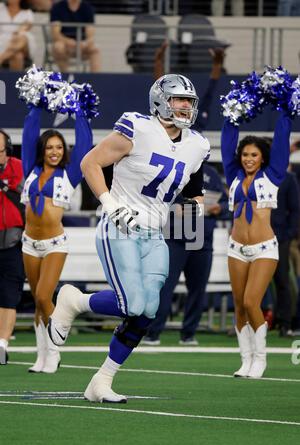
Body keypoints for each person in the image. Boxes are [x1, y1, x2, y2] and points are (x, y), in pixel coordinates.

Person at [48, 74, 210, 403]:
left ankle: (102, 381)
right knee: (131, 304)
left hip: (155, 233)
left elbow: (194, 194)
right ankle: (73, 302)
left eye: (189, 102)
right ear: (161, 100)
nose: (185, 107)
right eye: (179, 100)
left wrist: (193, 210)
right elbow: (90, 163)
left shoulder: (197, 145)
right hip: (119, 225)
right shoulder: (137, 127)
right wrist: (110, 205)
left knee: (148, 311)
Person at [21, 105, 92, 373]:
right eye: (50, 147)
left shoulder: (70, 174)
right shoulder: (31, 169)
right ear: (42, 150)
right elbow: (28, 136)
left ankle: (54, 352)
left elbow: (84, 145)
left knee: (42, 295)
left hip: (54, 244)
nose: (54, 151)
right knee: (39, 303)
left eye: (59, 147)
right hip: (29, 243)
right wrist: (35, 107)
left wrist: (81, 112)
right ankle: (41, 356)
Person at [221, 111, 292, 379]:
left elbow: (282, 140)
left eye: (253, 155)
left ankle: (260, 358)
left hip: (264, 249)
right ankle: (245, 360)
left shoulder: (273, 175)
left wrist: (284, 113)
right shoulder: (233, 175)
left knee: (252, 301)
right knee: (239, 305)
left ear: (263, 157)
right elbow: (228, 141)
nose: (248, 159)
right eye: (245, 155)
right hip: (236, 248)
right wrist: (232, 116)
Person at [143, 162, 228, 345]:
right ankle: (153, 332)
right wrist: (183, 209)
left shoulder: (212, 174)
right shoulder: (173, 167)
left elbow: (226, 203)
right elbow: (159, 200)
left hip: (202, 240)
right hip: (174, 237)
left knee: (198, 289)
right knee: (164, 286)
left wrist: (220, 208)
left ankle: (189, 333)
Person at [0, 130, 25, 365]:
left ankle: (2, 344)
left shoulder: (18, 166)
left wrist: (5, 186)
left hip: (12, 240)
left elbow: (23, 197)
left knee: (9, 295)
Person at [271, 165, 300, 337]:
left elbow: (295, 209)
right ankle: (249, 324)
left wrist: (288, 234)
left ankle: (285, 324)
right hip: (254, 237)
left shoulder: (288, 178)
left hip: (279, 238)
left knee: (282, 280)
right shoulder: (254, 175)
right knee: (251, 283)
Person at [50, 0, 100, 72]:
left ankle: (96, 79)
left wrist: (85, 43)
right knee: (58, 47)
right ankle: (66, 76)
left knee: (95, 49)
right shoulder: (58, 7)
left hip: (82, 45)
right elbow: (55, 34)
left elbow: (90, 35)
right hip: (64, 43)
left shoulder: (87, 8)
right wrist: (68, 41)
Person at [0, 0, 36, 71]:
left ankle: (1, 58)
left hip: (19, 40)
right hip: (2, 40)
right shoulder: (1, 8)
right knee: (18, 56)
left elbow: (26, 26)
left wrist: (17, 33)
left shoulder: (27, 12)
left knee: (22, 38)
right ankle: (13, 81)